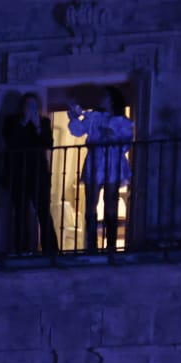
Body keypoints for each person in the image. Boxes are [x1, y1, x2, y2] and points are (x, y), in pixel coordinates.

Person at [66, 90, 133, 252]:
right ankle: (92, 245)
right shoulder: (94, 117)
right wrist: (74, 116)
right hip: (96, 161)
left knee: (111, 201)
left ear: (111, 100)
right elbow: (78, 130)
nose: (100, 98)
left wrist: (112, 137)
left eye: (104, 96)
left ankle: (110, 245)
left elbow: (126, 144)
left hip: (113, 162)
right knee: (91, 202)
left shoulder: (122, 121)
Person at [3, 91, 59, 255]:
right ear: (22, 107)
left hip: (38, 174)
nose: (31, 108)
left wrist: (38, 127)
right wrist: (24, 122)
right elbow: (10, 141)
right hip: (18, 173)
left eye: (34, 105)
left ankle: (50, 250)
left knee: (43, 210)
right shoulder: (11, 121)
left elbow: (48, 143)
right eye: (28, 105)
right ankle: (22, 249)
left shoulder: (44, 122)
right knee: (21, 212)